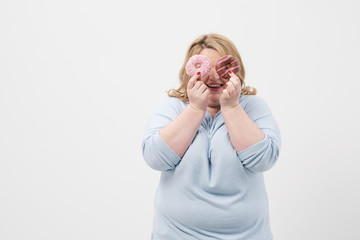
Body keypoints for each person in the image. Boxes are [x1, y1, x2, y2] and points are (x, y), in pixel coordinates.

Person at [142, 33, 281, 240]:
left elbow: (263, 159)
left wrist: (232, 107)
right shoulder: (172, 107)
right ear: (190, 72)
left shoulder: (253, 107)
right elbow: (155, 157)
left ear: (236, 71)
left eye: (223, 68)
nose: (215, 77)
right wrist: (196, 108)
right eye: (206, 68)